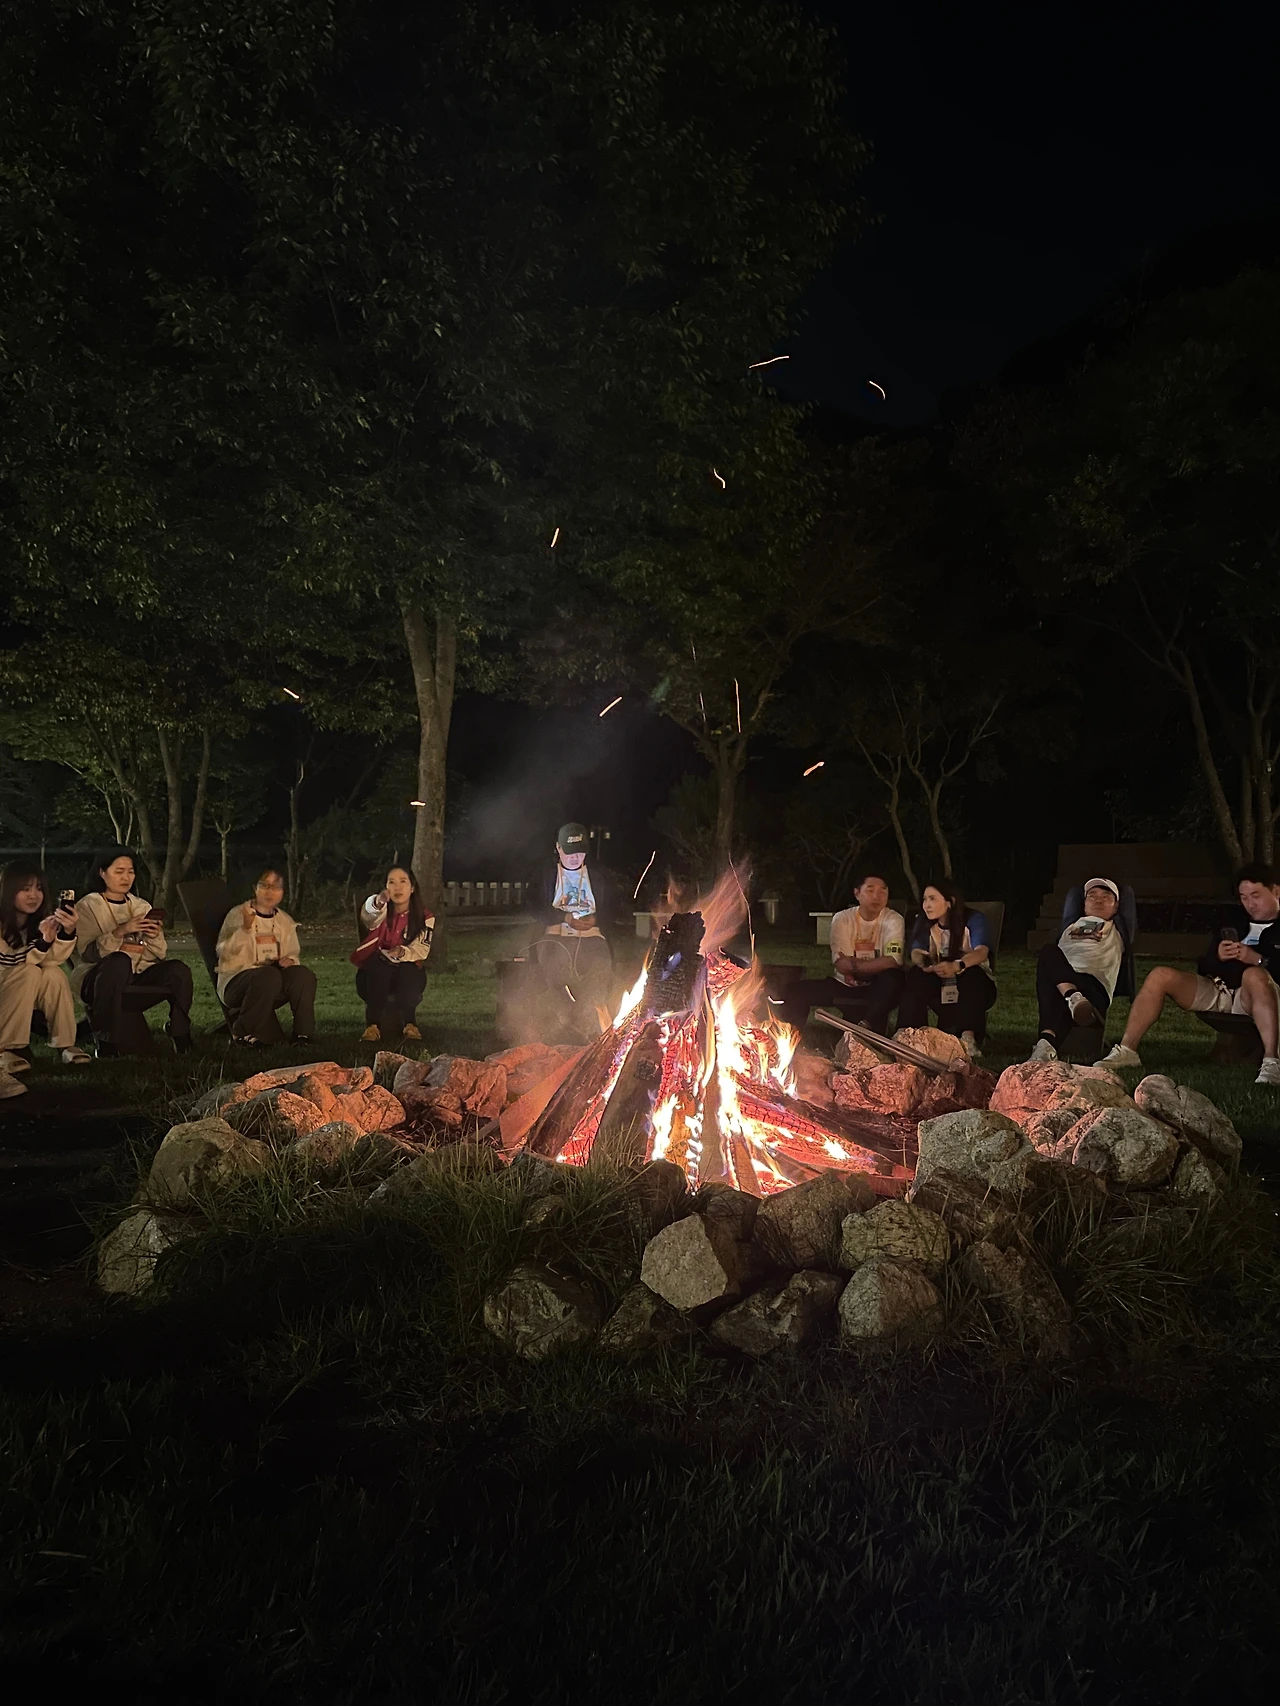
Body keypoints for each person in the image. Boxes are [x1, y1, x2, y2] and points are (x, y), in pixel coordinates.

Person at [1102, 862, 1280, 1085]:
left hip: (1262, 996)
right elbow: (1205, 967)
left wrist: (1259, 960)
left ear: (1276, 891)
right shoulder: (1236, 921)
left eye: (1256, 896)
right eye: (1244, 897)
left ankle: (1272, 1061)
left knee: (1254, 974)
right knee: (1160, 975)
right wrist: (1218, 956)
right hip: (1222, 990)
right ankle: (1127, 1050)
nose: (1250, 904)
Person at [72, 847, 193, 1056]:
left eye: (130, 871)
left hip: (136, 975)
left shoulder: (140, 906)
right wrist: (121, 931)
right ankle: (106, 1041)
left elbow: (158, 955)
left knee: (178, 970)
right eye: (119, 871)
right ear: (102, 873)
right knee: (119, 961)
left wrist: (153, 935)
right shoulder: (88, 906)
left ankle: (180, 1032)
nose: (126, 877)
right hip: (98, 980)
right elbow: (88, 954)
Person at [0, 863, 93, 1095]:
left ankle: (66, 1044)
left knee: (52, 973)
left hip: (22, 989)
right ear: (8, 891)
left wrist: (65, 933)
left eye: (39, 888)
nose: (34, 895)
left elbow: (50, 960)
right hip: (5, 988)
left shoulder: (38, 922)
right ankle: (6, 1049)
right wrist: (42, 943)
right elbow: (10, 961)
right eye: (25, 889)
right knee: (29, 971)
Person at [778, 873, 905, 1037]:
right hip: (844, 984)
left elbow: (893, 961)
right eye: (870, 890)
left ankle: (866, 1026)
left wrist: (854, 966)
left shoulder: (893, 919)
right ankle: (787, 1041)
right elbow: (841, 964)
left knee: (894, 978)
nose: (877, 896)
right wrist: (868, 966)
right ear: (857, 893)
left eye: (883, 891)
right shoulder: (843, 918)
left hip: (879, 986)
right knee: (795, 991)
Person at [1029, 877, 1135, 1062]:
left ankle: (1069, 1002)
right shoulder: (1069, 926)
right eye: (1092, 896)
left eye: (1106, 897)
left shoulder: (1119, 929)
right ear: (1083, 904)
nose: (1098, 900)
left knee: (1053, 981)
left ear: (1117, 906)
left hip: (1094, 987)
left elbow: (1127, 893)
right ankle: (1046, 1045)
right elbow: (1074, 894)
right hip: (1064, 983)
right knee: (1048, 952)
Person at [531, 822, 615, 1041]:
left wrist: (596, 919)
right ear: (558, 849)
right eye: (570, 852)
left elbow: (612, 909)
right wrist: (564, 917)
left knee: (600, 967)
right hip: (555, 934)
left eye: (580, 852)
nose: (575, 858)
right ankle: (562, 1021)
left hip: (591, 935)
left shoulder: (597, 876)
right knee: (553, 968)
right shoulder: (547, 875)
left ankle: (588, 1024)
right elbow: (535, 907)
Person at [895, 879, 996, 1059]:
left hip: (975, 983)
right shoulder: (924, 922)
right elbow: (916, 952)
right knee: (917, 975)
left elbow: (981, 952)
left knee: (972, 974)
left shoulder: (973, 919)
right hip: (938, 980)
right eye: (925, 899)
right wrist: (926, 963)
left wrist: (958, 965)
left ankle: (968, 1038)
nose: (926, 905)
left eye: (932, 899)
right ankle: (907, 1034)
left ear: (950, 902)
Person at [215, 868, 316, 1046]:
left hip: (272, 981)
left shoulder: (284, 921)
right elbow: (225, 952)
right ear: (255, 888)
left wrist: (290, 961)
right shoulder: (238, 915)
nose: (270, 892)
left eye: (276, 887)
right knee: (268, 975)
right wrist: (245, 929)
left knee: (303, 975)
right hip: (237, 982)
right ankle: (242, 1032)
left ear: (283, 892)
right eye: (265, 886)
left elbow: (293, 953)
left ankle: (303, 1034)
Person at [354, 865, 434, 1042]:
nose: (397, 887)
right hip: (374, 973)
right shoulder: (381, 910)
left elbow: (421, 949)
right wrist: (379, 901)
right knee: (379, 968)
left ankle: (410, 1024)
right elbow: (369, 916)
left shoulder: (424, 917)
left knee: (408, 970)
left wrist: (402, 952)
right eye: (392, 882)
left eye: (403, 882)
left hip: (407, 973)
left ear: (412, 888)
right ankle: (372, 1026)